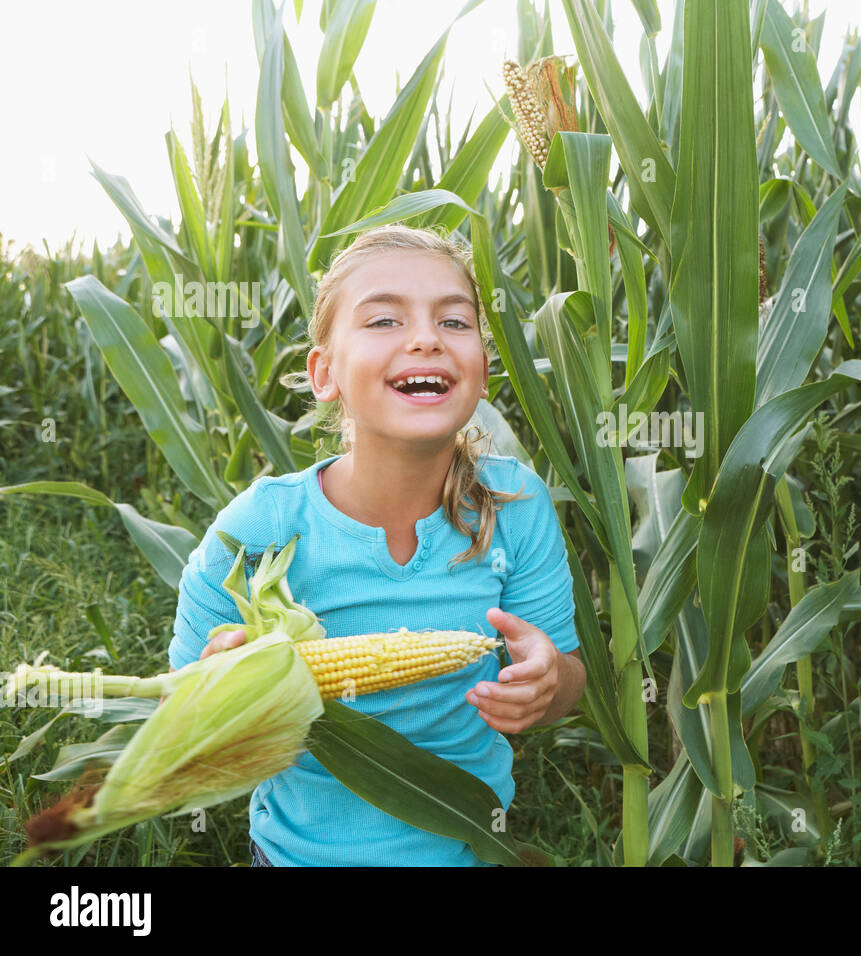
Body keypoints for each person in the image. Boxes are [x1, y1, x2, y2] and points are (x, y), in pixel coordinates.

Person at [167, 224, 586, 866]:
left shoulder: (517, 509)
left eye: (454, 321)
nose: (425, 338)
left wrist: (547, 681)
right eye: (385, 320)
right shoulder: (257, 529)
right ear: (325, 374)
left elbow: (567, 686)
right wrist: (226, 693)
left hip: (467, 848)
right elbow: (185, 728)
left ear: (481, 363)